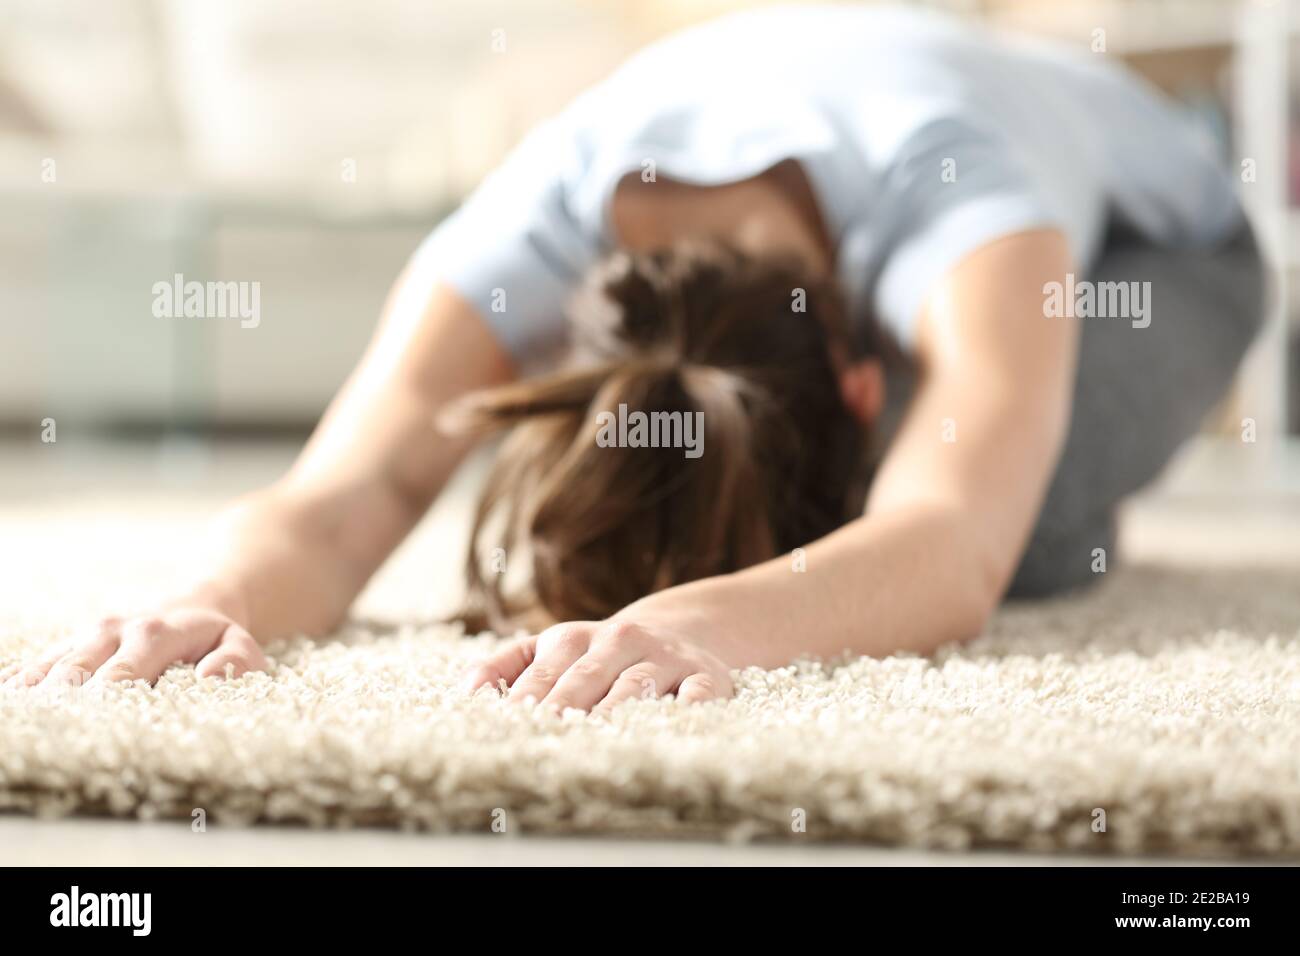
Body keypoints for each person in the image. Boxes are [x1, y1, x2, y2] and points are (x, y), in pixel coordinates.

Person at [4, 6, 1264, 711]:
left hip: (1172, 259)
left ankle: (1023, 450)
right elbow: (350, 493)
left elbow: (953, 538)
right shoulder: (540, 207)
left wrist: (701, 621)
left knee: (1022, 522)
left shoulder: (966, 205)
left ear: (866, 380)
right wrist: (212, 596)